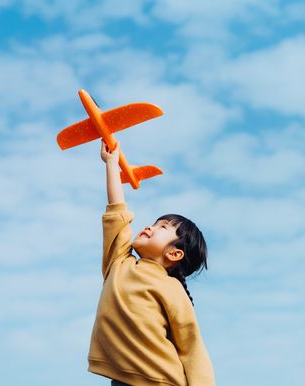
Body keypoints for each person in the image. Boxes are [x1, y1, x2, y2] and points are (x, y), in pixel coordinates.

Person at [88, 141, 215, 386]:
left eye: (163, 228)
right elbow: (117, 214)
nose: (149, 227)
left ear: (175, 254)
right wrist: (112, 165)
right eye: (154, 223)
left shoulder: (171, 289)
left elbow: (192, 348)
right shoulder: (119, 263)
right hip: (123, 379)